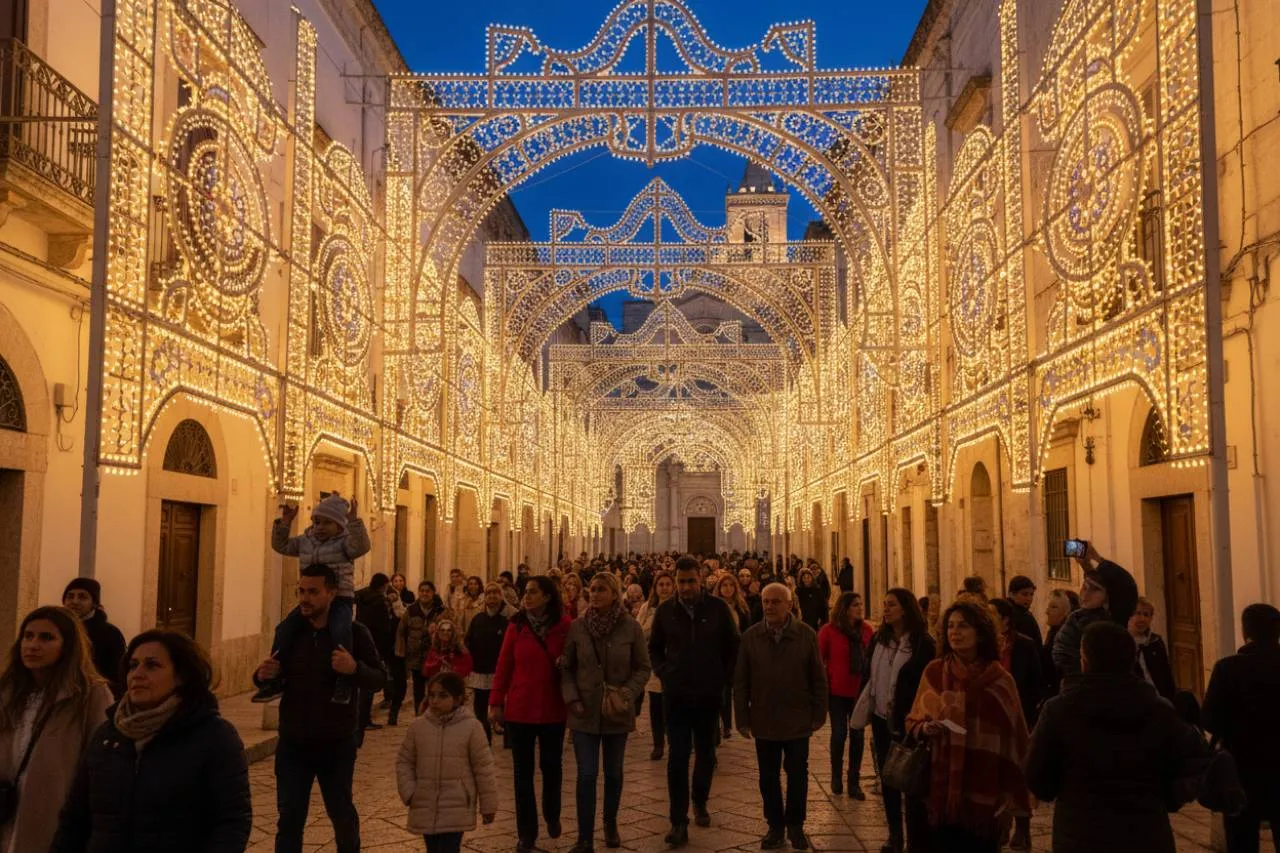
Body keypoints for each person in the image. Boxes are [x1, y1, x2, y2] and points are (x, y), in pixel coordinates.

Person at [50, 630, 252, 853]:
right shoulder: (109, 735)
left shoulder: (214, 736)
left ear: (182, 676)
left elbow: (232, 821)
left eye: (152, 665)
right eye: (133, 665)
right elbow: (75, 818)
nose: (137, 674)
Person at [1026, 620, 1211, 853]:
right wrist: (1167, 796)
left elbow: (1038, 778)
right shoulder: (1158, 709)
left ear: (1085, 660)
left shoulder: (1059, 710)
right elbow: (1193, 762)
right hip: (1146, 834)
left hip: (1081, 834)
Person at [253, 564, 386, 853]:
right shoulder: (290, 634)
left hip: (335, 742)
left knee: (341, 813)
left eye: (313, 592)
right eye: (301, 591)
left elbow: (379, 678)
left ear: (332, 593)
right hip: (293, 742)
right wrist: (262, 675)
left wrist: (354, 669)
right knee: (289, 818)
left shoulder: (353, 633)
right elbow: (272, 675)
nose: (305, 598)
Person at [907, 601, 1031, 853]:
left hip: (985, 792)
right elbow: (913, 720)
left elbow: (1016, 738)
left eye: (963, 626)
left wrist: (1015, 807)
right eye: (950, 626)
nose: (954, 632)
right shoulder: (934, 672)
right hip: (939, 791)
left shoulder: (1001, 681)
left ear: (981, 633)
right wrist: (925, 728)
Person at [0, 607, 113, 853]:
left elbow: (101, 763)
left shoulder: (90, 695)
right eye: (28, 636)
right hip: (6, 810)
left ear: (68, 645)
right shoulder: (8, 692)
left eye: (46, 638)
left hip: (54, 817)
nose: (33, 645)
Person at [649, 556, 740, 847]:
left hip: (708, 694)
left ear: (700, 579)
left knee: (706, 753)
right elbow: (655, 647)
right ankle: (678, 820)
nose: (686, 587)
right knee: (677, 756)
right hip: (676, 695)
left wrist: (722, 678)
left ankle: (699, 799)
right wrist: (665, 673)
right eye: (681, 581)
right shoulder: (666, 611)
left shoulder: (718, 609)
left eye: (691, 581)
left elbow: (732, 646)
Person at [561, 572, 651, 853]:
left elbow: (642, 667)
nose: (596, 594)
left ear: (614, 594)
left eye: (602, 589)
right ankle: (584, 836)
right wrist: (572, 698)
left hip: (616, 710)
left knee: (613, 773)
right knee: (587, 774)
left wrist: (627, 693)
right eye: (593, 589)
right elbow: (566, 667)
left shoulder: (630, 627)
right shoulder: (578, 627)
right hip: (584, 710)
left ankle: (610, 822)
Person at [735, 583, 827, 851]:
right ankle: (775, 825)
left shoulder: (806, 635)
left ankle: (796, 825)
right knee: (768, 776)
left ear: (789, 605)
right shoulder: (751, 637)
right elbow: (741, 680)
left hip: (797, 717)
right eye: (766, 601)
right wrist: (742, 717)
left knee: (797, 773)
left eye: (776, 602)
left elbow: (818, 677)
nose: (769, 606)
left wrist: (819, 712)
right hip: (764, 717)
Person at [258, 494, 370, 704]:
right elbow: (281, 546)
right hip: (310, 600)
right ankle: (274, 677)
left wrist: (355, 521)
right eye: (317, 522)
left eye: (327, 523)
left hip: (340, 598)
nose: (320, 527)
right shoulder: (305, 541)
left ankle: (343, 680)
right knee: (284, 629)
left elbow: (361, 547)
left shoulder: (345, 543)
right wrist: (285, 523)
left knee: (340, 631)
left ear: (339, 524)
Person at [489, 576, 572, 853]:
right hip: (520, 709)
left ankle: (552, 812)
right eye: (526, 592)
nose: (527, 596)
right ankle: (526, 832)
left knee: (552, 767)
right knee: (521, 774)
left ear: (547, 596)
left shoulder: (564, 626)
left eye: (533, 592)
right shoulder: (517, 625)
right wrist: (496, 702)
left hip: (552, 709)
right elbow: (504, 665)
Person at [852, 589, 935, 853]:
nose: (885, 609)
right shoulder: (879, 639)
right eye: (884, 604)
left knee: (911, 780)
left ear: (905, 609)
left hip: (909, 720)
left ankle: (915, 840)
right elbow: (869, 674)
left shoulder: (922, 643)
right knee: (888, 778)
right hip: (881, 718)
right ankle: (894, 835)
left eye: (891, 605)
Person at [1202, 603, 1280, 853]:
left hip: (1241, 769)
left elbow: (1210, 720)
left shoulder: (1227, 668)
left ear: (1246, 632)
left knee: (1241, 838)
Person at [395, 671, 498, 853]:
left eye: (442, 696)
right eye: (432, 695)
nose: (435, 701)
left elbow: (483, 768)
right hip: (425, 804)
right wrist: (409, 792)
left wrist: (488, 805)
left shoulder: (472, 728)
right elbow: (404, 761)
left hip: (456, 806)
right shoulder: (418, 727)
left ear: (458, 699)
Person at [989, 597, 1044, 850]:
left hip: (1019, 718)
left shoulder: (1024, 645)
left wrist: (1028, 717)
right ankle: (1000, 824)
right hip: (992, 720)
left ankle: (1023, 827)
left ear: (1005, 620)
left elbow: (1035, 683)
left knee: (1019, 775)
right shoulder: (985, 646)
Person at [819, 592, 873, 799]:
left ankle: (854, 781)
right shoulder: (829, 630)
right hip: (837, 692)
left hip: (859, 692)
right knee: (839, 734)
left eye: (860, 604)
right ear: (844, 608)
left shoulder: (867, 630)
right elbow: (818, 658)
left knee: (857, 736)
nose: (860, 608)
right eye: (855, 605)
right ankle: (836, 776)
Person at [1052, 550, 1138, 677]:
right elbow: (1065, 661)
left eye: (1095, 590)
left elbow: (1126, 587)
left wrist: (1097, 559)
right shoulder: (1076, 621)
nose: (1085, 594)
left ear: (1109, 596)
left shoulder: (1116, 617)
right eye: (1085, 587)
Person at [60, 579, 127, 698]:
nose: (74, 601)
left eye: (82, 597)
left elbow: (118, 673)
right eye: (70, 596)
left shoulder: (110, 633)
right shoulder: (57, 629)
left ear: (94, 603)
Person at [465, 583, 512, 744]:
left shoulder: (506, 621)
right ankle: (486, 738)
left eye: (495, 592)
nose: (492, 596)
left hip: (499, 671)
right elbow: (469, 642)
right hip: (479, 671)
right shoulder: (478, 619)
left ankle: (508, 739)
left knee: (502, 706)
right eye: (489, 593)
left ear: (501, 596)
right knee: (480, 708)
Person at [636, 571, 675, 761]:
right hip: (654, 661)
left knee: (673, 706)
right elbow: (638, 631)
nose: (664, 588)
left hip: (674, 662)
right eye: (661, 584)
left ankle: (674, 740)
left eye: (668, 584)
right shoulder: (647, 608)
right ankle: (658, 743)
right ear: (655, 587)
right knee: (656, 705)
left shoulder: (678, 607)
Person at [399, 581, 448, 715]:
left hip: (435, 657)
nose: (424, 593)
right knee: (418, 690)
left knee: (436, 689)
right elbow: (402, 631)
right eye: (422, 591)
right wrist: (401, 652)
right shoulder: (411, 610)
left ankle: (435, 714)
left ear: (433, 593)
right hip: (416, 657)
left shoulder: (441, 611)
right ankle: (419, 716)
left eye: (427, 591)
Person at [356, 573, 398, 731]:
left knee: (363, 682)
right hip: (376, 646)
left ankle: (362, 718)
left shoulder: (362, 596)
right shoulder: (380, 601)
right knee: (370, 683)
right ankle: (364, 719)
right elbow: (384, 628)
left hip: (361, 642)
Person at [714, 574, 751, 740]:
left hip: (736, 654)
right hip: (718, 654)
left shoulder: (742, 608)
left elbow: (747, 630)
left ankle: (728, 724)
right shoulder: (714, 607)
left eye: (730, 585)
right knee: (720, 690)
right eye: (724, 585)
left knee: (732, 690)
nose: (727, 589)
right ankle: (719, 724)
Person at [1129, 597, 1178, 701]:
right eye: (1138, 613)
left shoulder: (1156, 642)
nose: (1142, 619)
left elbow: (1166, 676)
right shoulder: (1122, 643)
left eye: (1146, 615)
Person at [1040, 589, 1079, 699]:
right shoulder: (1053, 632)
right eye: (1049, 606)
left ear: (1068, 612)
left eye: (1054, 607)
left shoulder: (1066, 640)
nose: (1047, 611)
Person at [1006, 575, 1042, 646]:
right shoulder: (1010, 614)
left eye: (1031, 594)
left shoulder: (1025, 613)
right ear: (1012, 594)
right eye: (1024, 594)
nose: (1029, 598)